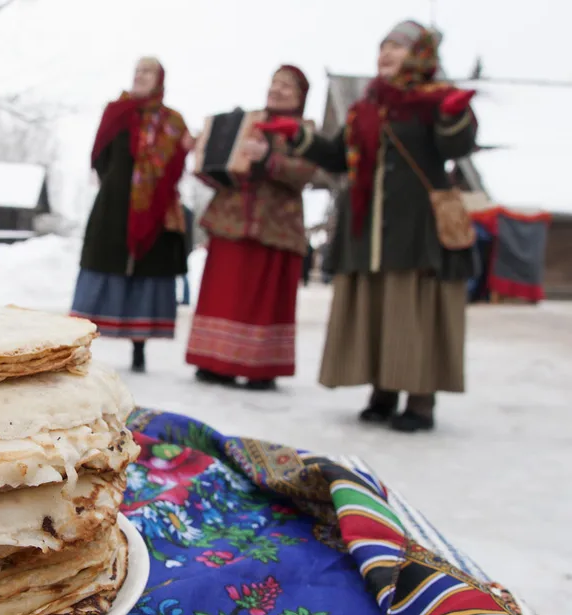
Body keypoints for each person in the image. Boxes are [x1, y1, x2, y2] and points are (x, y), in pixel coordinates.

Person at [258, 20, 478, 431]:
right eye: (383, 47)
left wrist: (453, 115)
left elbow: (455, 146)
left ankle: (420, 401)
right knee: (378, 311)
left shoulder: (434, 99)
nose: (386, 54)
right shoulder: (365, 107)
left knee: (413, 313)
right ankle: (383, 392)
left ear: (420, 55)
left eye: (397, 47)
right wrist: (301, 138)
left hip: (417, 229)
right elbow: (339, 156)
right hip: (368, 230)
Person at [186, 65, 317, 390]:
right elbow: (219, 167)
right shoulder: (247, 123)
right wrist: (203, 150)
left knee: (265, 301)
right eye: (274, 83)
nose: (277, 90)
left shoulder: (305, 131)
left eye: (287, 86)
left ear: (301, 97)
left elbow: (306, 173)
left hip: (276, 226)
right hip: (231, 220)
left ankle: (260, 368)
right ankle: (215, 363)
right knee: (224, 294)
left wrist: (268, 157)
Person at [70, 57, 192, 373]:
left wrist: (149, 191)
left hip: (156, 210)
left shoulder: (173, 122)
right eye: (137, 71)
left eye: (147, 71)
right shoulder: (117, 112)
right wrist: (121, 185)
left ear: (160, 79)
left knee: (146, 272)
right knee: (101, 265)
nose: (140, 76)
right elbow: (99, 156)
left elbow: (176, 168)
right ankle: (80, 347)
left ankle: (140, 348)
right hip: (114, 205)